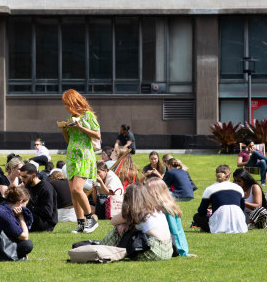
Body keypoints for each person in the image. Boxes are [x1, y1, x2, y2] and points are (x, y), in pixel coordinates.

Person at [60, 89, 101, 234]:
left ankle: (91, 219)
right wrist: (65, 129)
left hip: (84, 155)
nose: (65, 106)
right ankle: (80, 223)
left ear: (73, 102)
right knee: (73, 192)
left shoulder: (87, 115)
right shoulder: (72, 116)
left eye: (67, 103)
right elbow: (69, 140)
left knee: (77, 188)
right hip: (72, 155)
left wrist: (80, 127)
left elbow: (97, 134)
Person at [101, 183, 173, 261]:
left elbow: (113, 221)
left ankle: (103, 249)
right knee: (128, 226)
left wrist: (125, 223)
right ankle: (105, 248)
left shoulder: (135, 211)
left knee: (118, 227)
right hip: (168, 250)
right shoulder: (155, 208)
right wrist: (128, 223)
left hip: (154, 252)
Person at [192, 165, 247, 234]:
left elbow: (201, 211)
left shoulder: (210, 189)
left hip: (219, 225)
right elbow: (242, 208)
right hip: (239, 225)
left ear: (216, 175)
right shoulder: (239, 188)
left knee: (197, 217)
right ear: (229, 176)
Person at [145, 177, 192, 257]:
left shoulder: (167, 208)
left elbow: (175, 231)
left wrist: (181, 251)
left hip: (172, 245)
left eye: (147, 190)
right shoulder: (159, 206)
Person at [19, 163, 57, 232]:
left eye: (25, 177)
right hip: (33, 216)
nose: (22, 179)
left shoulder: (46, 188)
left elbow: (47, 213)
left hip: (45, 223)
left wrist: (27, 206)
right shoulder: (27, 185)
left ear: (33, 175)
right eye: (21, 177)